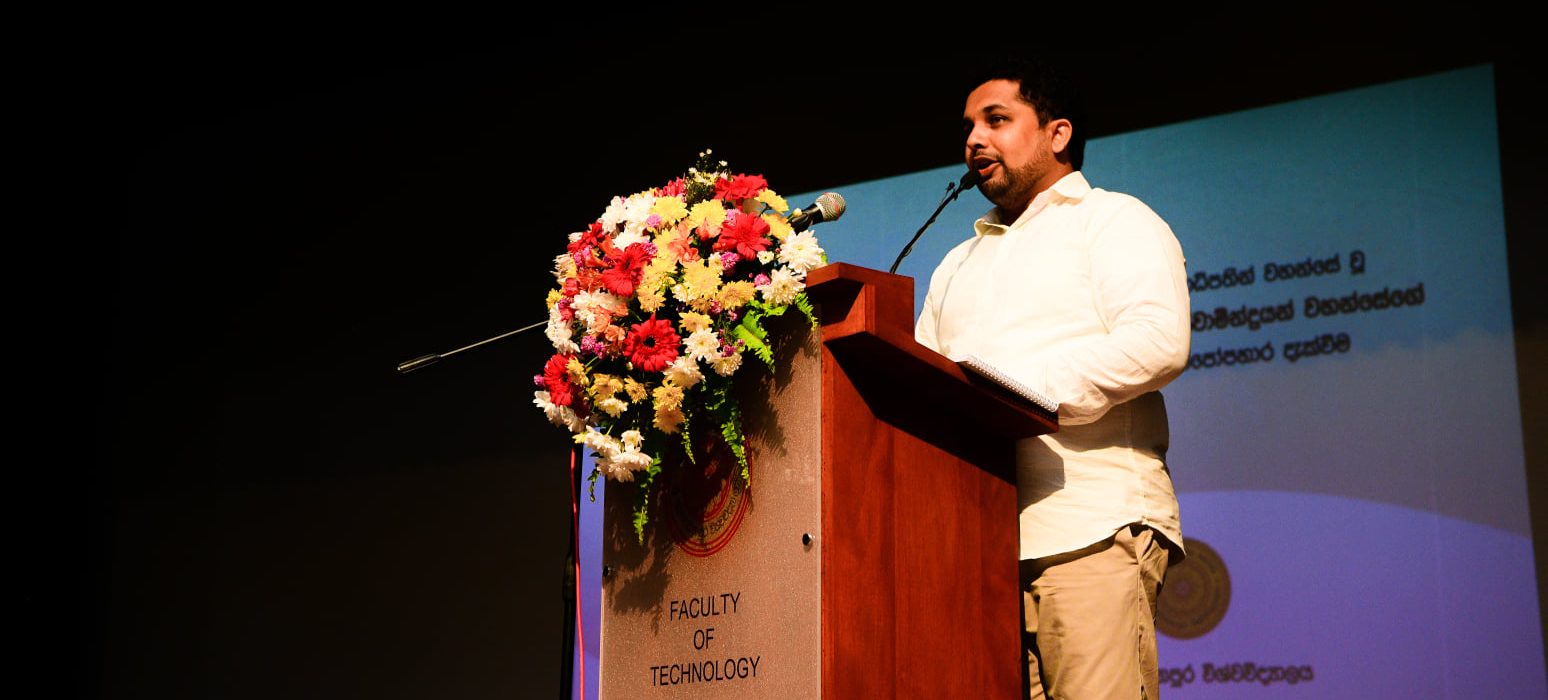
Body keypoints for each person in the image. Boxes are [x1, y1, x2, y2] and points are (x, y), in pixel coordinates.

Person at [914, 56, 1191, 699]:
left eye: (996, 120)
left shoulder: (1114, 220)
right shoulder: (956, 263)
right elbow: (926, 384)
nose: (974, 140)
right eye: (968, 127)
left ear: (1057, 133)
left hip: (1091, 527)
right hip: (978, 550)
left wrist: (1020, 393)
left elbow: (1158, 342)